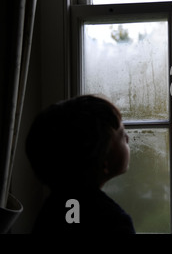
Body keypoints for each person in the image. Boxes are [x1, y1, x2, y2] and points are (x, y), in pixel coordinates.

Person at [25, 95, 135, 234]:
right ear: (104, 160)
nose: (128, 138)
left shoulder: (54, 207)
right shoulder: (112, 221)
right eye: (122, 134)